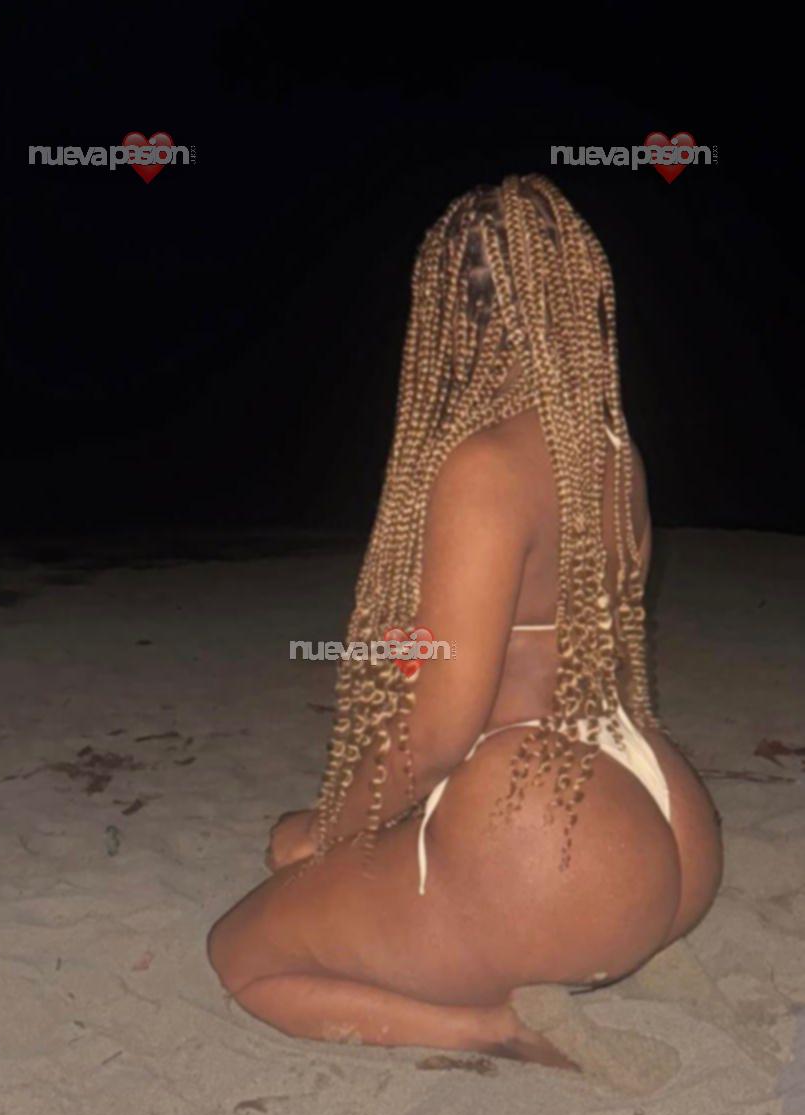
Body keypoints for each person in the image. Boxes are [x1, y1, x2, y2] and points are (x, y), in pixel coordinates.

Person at [207, 174, 722, 1068]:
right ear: (572, 299)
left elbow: (441, 728)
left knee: (243, 952)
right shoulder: (610, 451)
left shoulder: (483, 468)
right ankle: (558, 966)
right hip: (663, 828)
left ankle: (490, 1027)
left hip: (554, 851)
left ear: (447, 314)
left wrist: (328, 829)